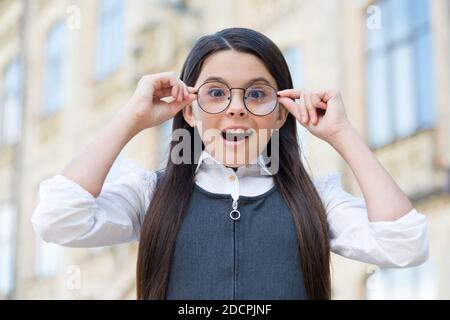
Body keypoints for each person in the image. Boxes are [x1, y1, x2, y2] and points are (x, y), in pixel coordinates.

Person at [32, 27, 428, 300]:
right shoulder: (152, 194)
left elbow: (405, 245)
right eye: (216, 93)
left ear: (280, 113)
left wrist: (343, 134)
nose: (236, 108)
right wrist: (131, 117)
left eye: (257, 95)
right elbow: (58, 217)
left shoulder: (313, 199)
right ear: (189, 110)